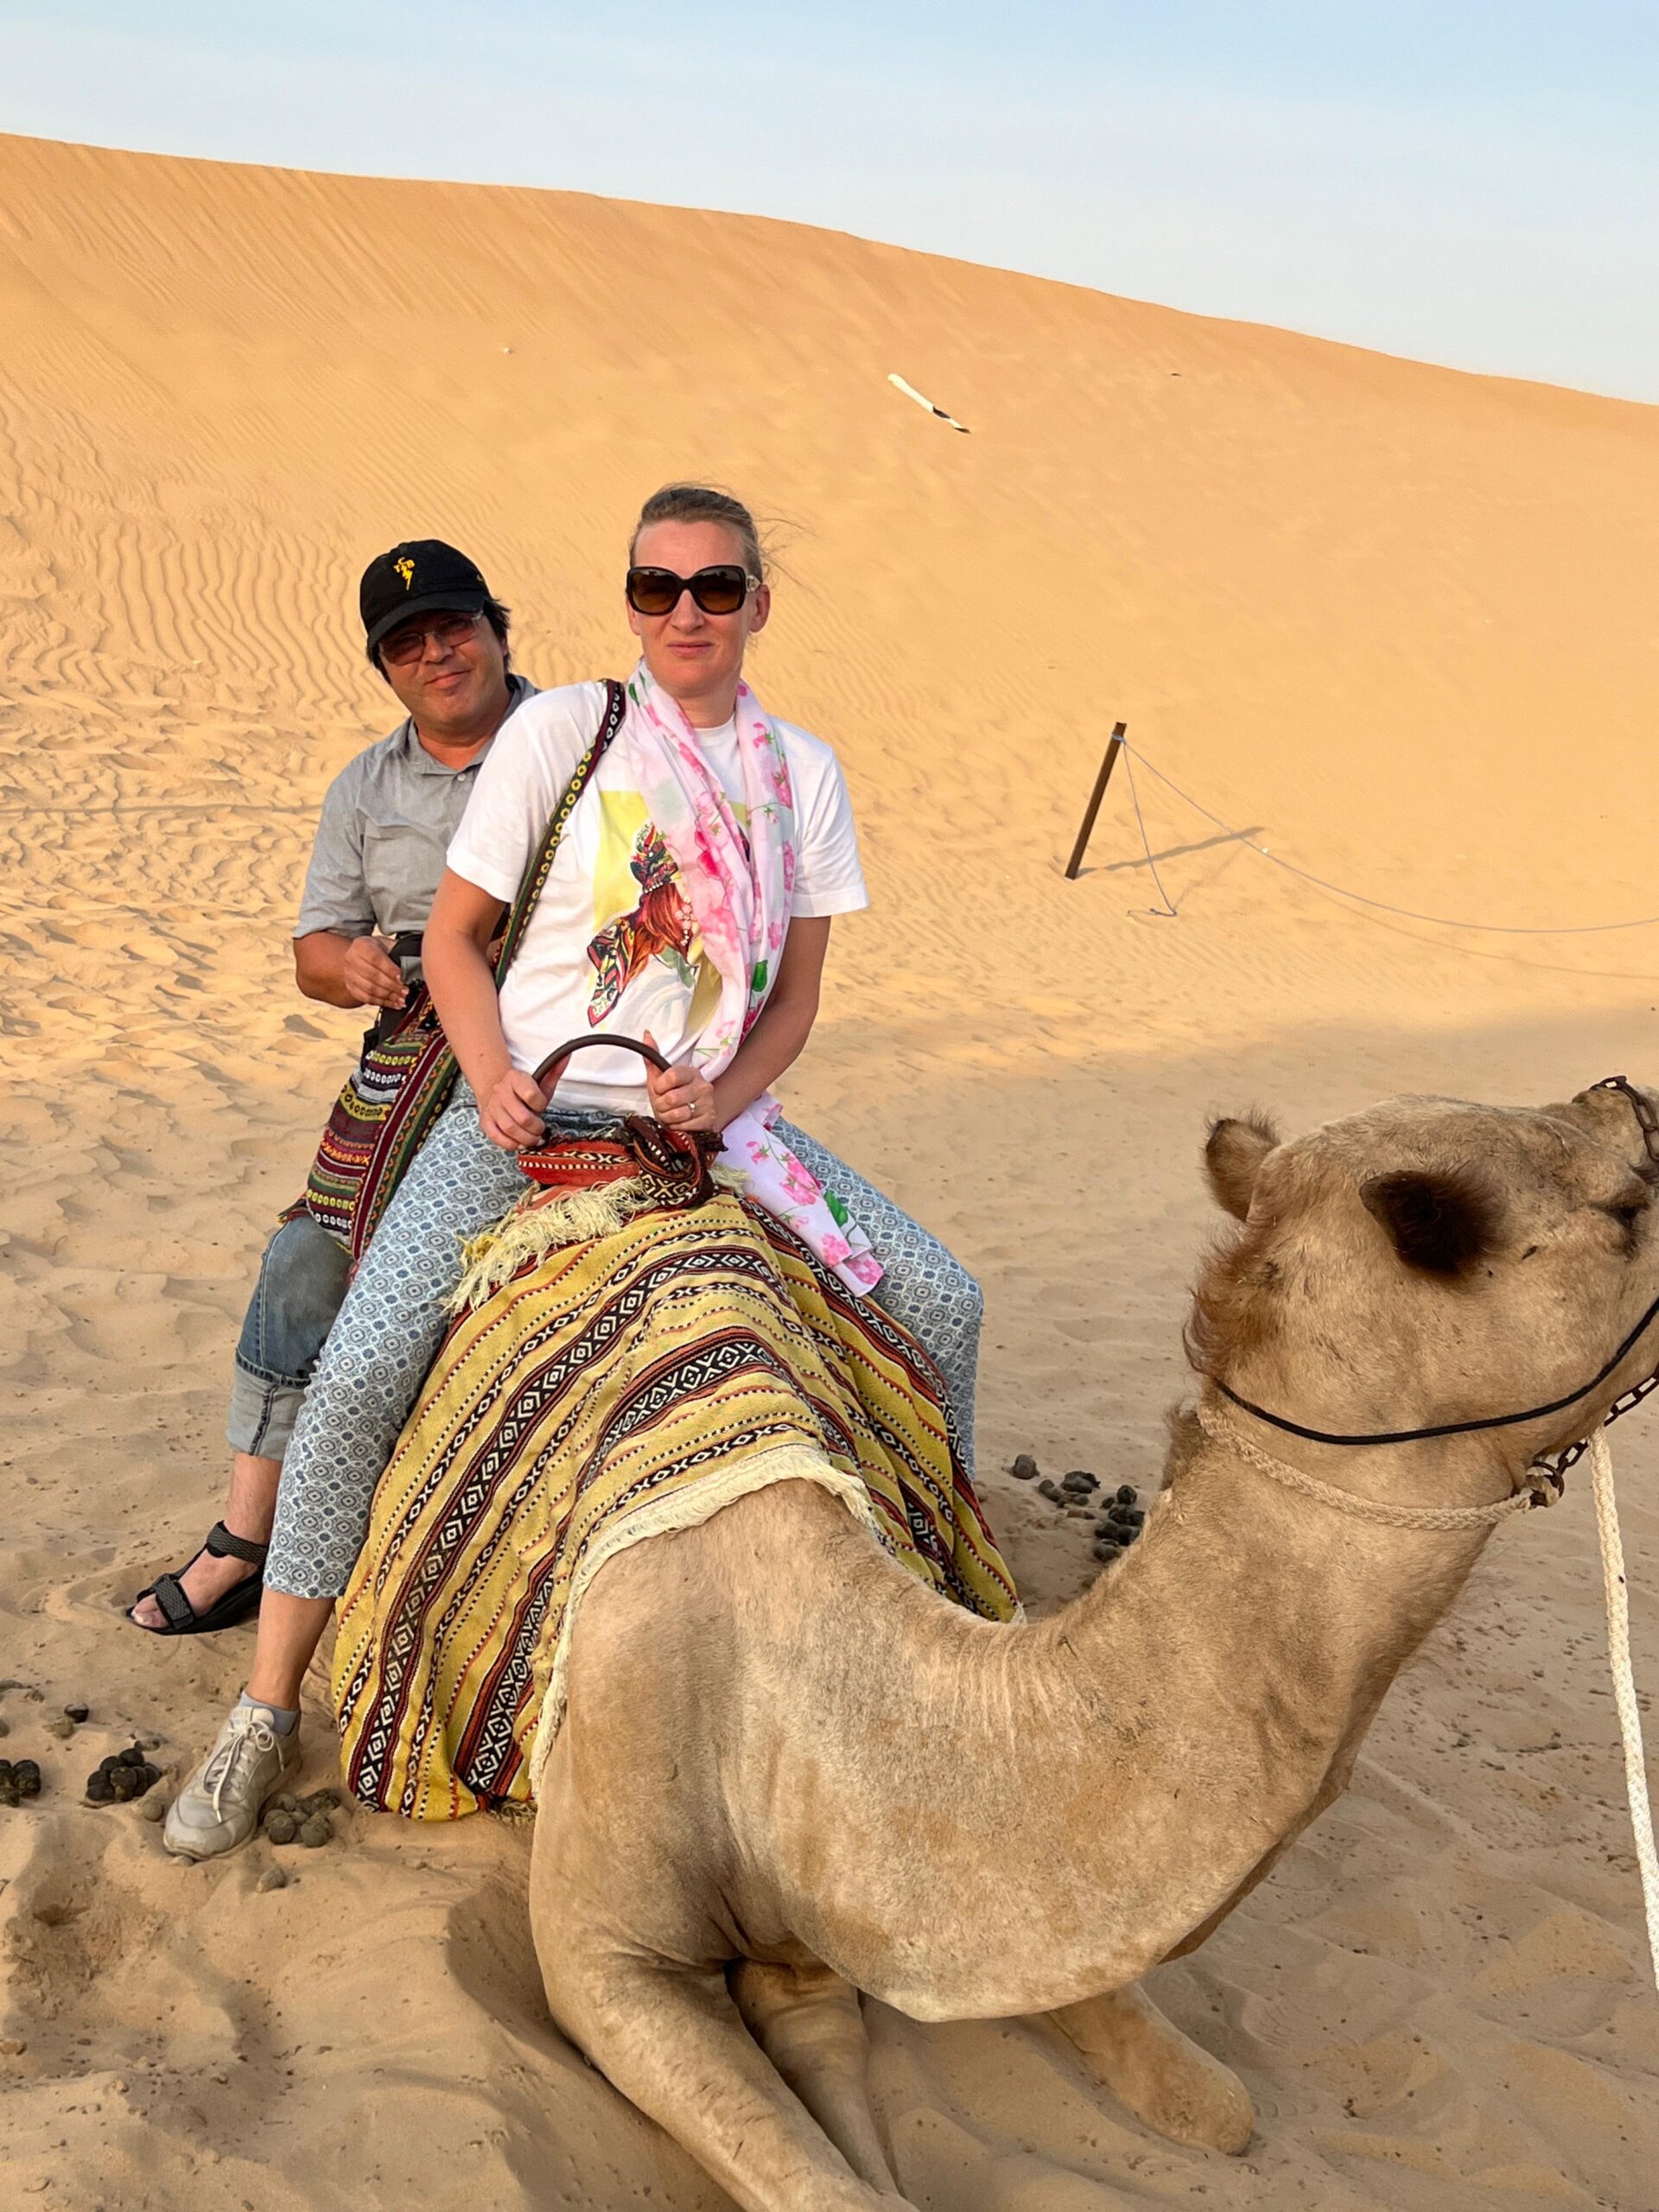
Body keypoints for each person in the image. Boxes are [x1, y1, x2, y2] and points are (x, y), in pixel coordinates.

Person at [162, 482, 985, 1859]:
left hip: (709, 1127)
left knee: (946, 1299)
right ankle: (265, 1705)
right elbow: (453, 939)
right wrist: (492, 1075)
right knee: (360, 1367)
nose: (686, 613)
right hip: (529, 1119)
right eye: (657, 588)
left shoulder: (804, 775)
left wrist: (723, 1099)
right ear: (629, 603)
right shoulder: (567, 732)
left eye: (715, 587)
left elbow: (795, 1000)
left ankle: (939, 1619)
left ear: (757, 603)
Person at [129, 540, 537, 1634]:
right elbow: (313, 949)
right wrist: (345, 966)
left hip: (559, 1047)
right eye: (407, 645)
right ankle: (246, 1537)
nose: (436, 654)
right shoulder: (365, 787)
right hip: (410, 1054)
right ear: (385, 670)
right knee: (306, 1257)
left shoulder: (575, 746)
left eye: (453, 627)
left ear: (497, 630)